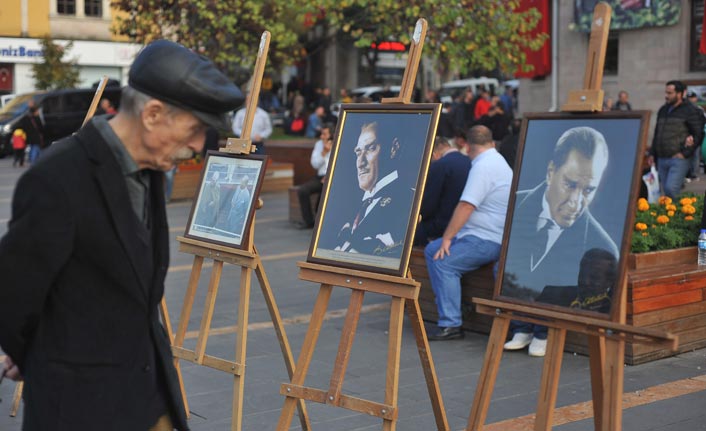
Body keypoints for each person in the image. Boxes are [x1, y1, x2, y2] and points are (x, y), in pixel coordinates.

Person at [0, 39, 244, 431]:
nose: (200, 146)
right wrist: (38, 352)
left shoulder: (146, 169)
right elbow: (12, 294)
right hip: (81, 409)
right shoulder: (58, 178)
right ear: (152, 114)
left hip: (146, 395)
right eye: (196, 129)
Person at [502, 126, 618, 356]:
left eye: (588, 190)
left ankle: (543, 332)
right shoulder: (517, 205)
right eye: (570, 184)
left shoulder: (601, 246)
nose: (575, 202)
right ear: (550, 172)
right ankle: (522, 327)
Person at [424, 125, 513, 341]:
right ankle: (453, 306)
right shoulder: (496, 161)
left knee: (443, 261)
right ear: (491, 142)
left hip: (487, 239)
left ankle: (451, 323)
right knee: (431, 249)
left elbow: (466, 206)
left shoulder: (484, 166)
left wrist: (446, 238)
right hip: (482, 235)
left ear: (466, 144)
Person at [334, 121, 411, 256]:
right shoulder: (353, 204)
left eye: (370, 148)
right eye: (358, 152)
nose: (360, 163)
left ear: (394, 148)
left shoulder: (407, 199)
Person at [648, 80, 704, 199]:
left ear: (680, 94)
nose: (666, 95)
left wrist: (685, 153)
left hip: (678, 158)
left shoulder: (690, 110)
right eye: (666, 92)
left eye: (670, 93)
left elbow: (698, 134)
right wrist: (652, 153)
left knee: (671, 189)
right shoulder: (663, 110)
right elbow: (657, 133)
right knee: (665, 192)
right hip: (662, 158)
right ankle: (670, 215)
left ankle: (682, 212)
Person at [414, 136, 471, 246]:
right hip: (465, 223)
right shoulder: (469, 161)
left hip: (441, 226)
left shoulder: (440, 165)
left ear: (434, 154)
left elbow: (428, 205)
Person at [296, 123, 334, 228]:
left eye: (324, 134)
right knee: (303, 190)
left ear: (331, 135)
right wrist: (324, 152)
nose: (321, 136)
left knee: (321, 202)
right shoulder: (319, 145)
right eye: (321, 134)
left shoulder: (338, 144)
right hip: (320, 177)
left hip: (332, 178)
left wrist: (329, 176)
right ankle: (308, 221)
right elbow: (314, 164)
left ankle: (320, 221)